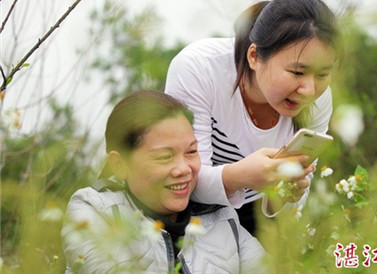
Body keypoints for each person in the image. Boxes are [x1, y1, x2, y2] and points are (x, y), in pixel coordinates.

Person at [165, 0, 342, 236]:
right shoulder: (199, 69)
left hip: (254, 218)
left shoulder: (319, 100)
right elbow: (184, 176)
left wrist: (283, 195)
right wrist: (241, 176)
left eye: (323, 74)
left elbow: (294, 199)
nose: (309, 90)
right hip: (183, 211)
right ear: (254, 56)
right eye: (298, 73)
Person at [62, 90, 266, 273]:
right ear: (119, 164)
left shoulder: (222, 216)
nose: (184, 169)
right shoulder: (93, 209)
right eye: (164, 157)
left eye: (192, 152)